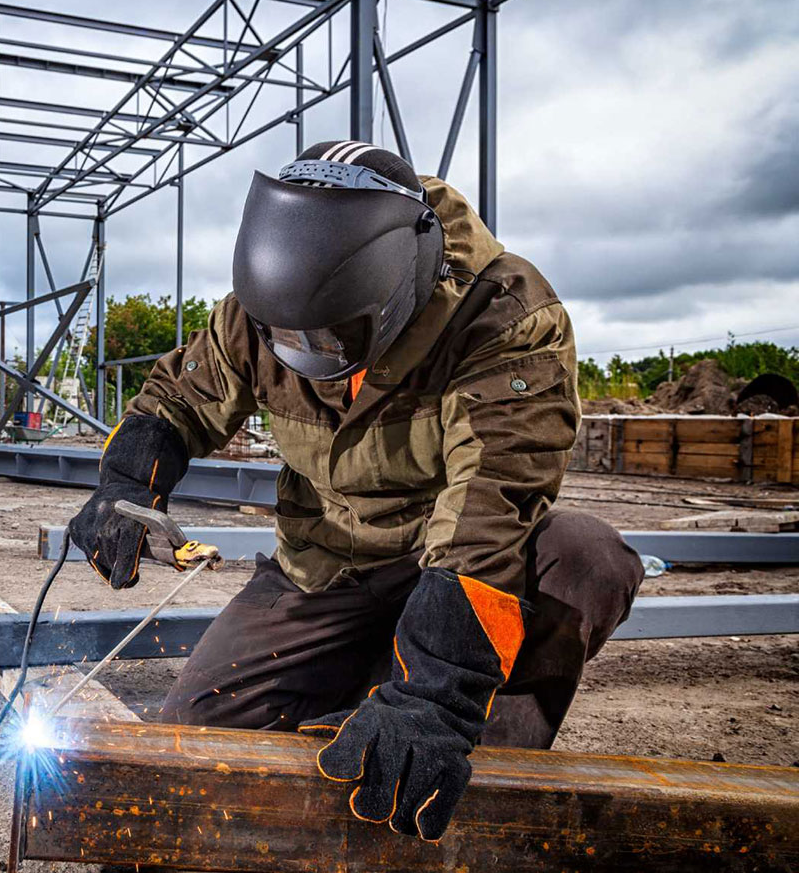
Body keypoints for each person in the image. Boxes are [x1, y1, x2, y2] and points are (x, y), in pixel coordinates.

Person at [66, 141, 643, 842]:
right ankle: (371, 679)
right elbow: (174, 403)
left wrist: (435, 694)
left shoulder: (505, 317)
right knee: (199, 735)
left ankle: (481, 768)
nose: (309, 354)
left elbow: (492, 510)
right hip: (325, 565)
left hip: (451, 557)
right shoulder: (265, 306)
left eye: (332, 337)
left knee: (583, 555)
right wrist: (127, 482)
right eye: (288, 335)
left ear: (396, 287)